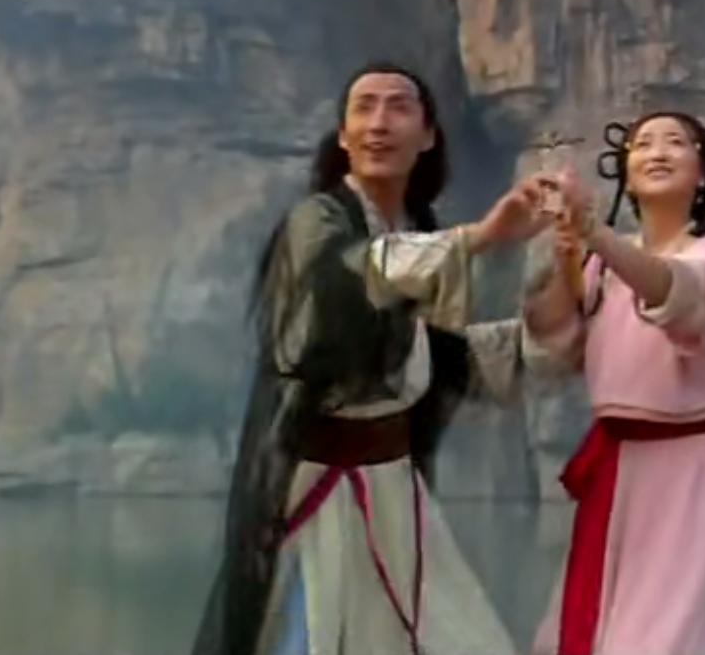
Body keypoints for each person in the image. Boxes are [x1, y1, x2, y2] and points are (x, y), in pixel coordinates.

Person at [191, 61, 548, 655]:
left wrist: (546, 328)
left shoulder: (419, 232)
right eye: (364, 107)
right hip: (318, 489)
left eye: (398, 106)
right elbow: (348, 283)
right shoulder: (315, 223)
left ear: (428, 136)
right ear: (343, 136)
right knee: (313, 634)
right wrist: (477, 238)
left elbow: (437, 358)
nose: (379, 123)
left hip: (394, 492)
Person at [521, 111, 705, 655]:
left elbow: (675, 292)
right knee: (590, 631)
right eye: (643, 144)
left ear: (703, 172)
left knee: (662, 639)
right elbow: (551, 337)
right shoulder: (600, 263)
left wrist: (594, 234)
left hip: (684, 471)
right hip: (615, 468)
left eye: (676, 142)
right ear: (625, 170)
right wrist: (565, 252)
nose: (658, 151)